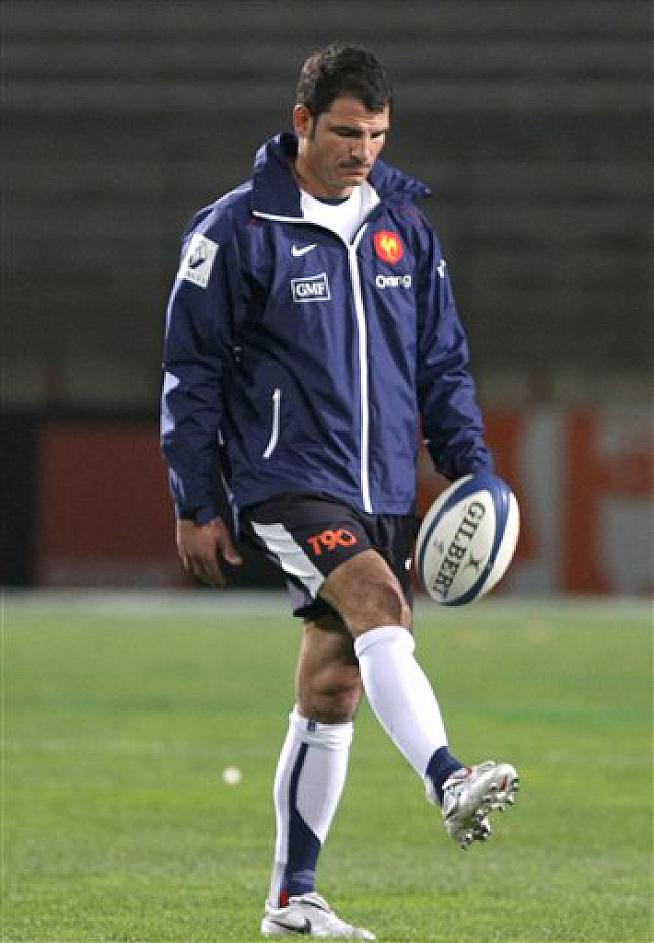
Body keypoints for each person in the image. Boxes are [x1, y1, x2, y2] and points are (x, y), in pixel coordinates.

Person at [161, 43, 519, 941]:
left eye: (377, 135)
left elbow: (441, 361)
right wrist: (195, 500)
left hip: (383, 486)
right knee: (378, 602)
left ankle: (293, 899)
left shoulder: (404, 227)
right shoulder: (236, 230)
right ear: (303, 123)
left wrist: (469, 465)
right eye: (348, 133)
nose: (364, 151)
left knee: (334, 686)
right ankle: (448, 777)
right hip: (286, 479)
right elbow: (192, 372)